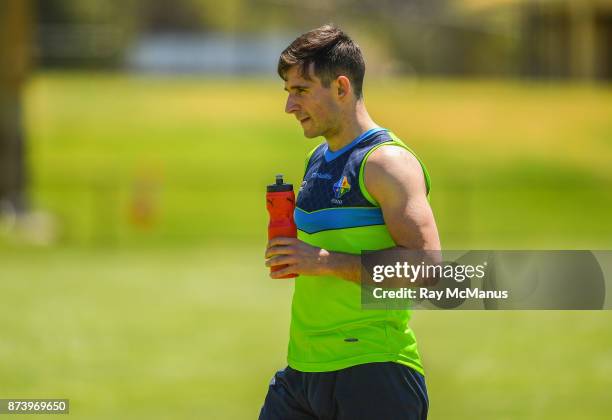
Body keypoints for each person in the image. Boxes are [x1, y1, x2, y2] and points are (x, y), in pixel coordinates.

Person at [261, 24, 440, 420]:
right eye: (288, 92)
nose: (290, 106)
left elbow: (428, 267)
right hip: (303, 372)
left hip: (372, 371)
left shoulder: (387, 163)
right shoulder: (319, 159)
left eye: (301, 91)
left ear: (342, 87)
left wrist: (322, 261)